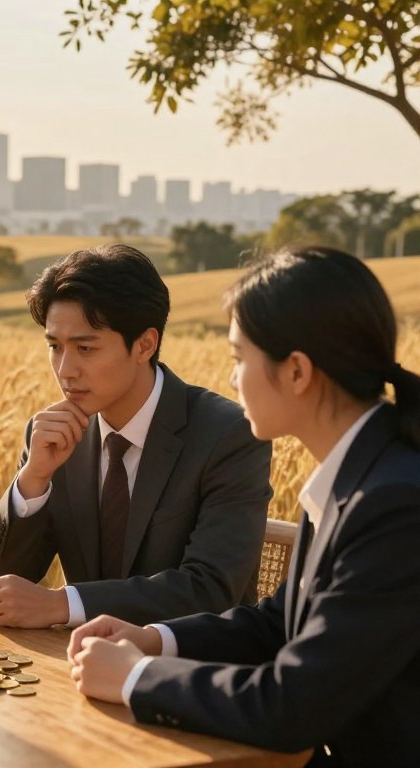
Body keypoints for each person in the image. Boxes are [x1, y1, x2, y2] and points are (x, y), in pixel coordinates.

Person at [68, 246, 420, 766]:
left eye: (239, 358)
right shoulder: (355, 474)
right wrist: (153, 640)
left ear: (297, 372)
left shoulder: (393, 503)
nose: (232, 379)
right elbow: (280, 624)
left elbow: (294, 705)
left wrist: (137, 679)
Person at [0, 244, 272, 628]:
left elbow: (210, 589)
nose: (65, 370)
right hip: (74, 668)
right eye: (54, 347)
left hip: (185, 672)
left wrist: (64, 604)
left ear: (144, 344)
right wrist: (33, 480)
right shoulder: (53, 434)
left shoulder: (227, 435)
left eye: (85, 348)